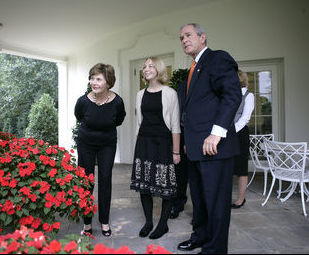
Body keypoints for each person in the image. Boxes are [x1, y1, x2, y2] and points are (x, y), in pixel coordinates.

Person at [177, 23, 242, 254]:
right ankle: (201, 236)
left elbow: (232, 95)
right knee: (200, 199)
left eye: (188, 35)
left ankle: (214, 250)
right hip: (195, 148)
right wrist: (188, 141)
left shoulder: (217, 59)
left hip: (216, 147)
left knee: (216, 202)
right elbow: (193, 109)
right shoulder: (193, 69)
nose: (184, 39)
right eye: (181, 37)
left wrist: (217, 132)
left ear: (203, 37)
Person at [130, 57, 181, 240]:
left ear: (159, 69)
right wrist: (137, 143)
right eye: (144, 66)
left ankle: (163, 224)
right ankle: (149, 222)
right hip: (144, 141)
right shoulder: (140, 94)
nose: (146, 69)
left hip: (163, 143)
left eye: (150, 65)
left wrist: (176, 152)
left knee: (165, 184)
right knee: (144, 185)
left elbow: (175, 125)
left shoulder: (170, 93)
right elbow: (139, 122)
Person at [74, 63, 126, 237]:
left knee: (105, 180)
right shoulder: (83, 101)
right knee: (86, 181)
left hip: (107, 144)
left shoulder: (117, 101)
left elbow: (119, 119)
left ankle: (104, 221)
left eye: (98, 79)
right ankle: (87, 223)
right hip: (86, 143)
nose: (93, 82)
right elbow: (79, 116)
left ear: (108, 82)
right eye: (92, 78)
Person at [231, 70, 255, 209]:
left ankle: (240, 199)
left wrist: (230, 131)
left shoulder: (248, 95)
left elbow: (245, 118)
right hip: (225, 133)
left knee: (241, 169)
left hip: (239, 134)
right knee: (226, 167)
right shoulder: (228, 94)